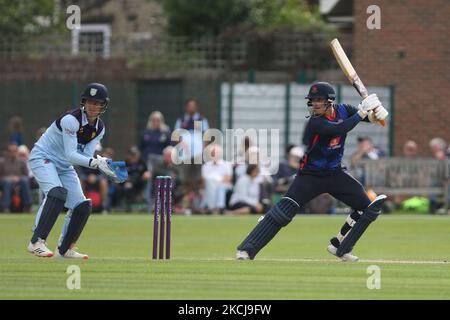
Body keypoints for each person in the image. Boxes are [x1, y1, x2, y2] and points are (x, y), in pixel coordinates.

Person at [235, 81, 389, 261]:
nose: (315, 104)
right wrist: (363, 111)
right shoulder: (315, 123)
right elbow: (339, 129)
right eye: (313, 100)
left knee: (366, 207)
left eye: (319, 100)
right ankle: (246, 250)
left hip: (335, 174)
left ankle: (340, 245)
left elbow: (367, 119)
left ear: (329, 101)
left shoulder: (344, 110)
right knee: (283, 213)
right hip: (310, 176)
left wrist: (376, 111)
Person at [27, 83, 126, 259]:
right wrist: (97, 163)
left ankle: (64, 250)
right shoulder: (70, 120)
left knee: (82, 205)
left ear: (103, 105)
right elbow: (72, 154)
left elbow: (86, 156)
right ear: (84, 102)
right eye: (90, 102)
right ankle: (36, 242)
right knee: (57, 194)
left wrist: (102, 163)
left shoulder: (99, 128)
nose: (93, 106)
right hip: (43, 157)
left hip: (64, 165)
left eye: (97, 103)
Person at [0, 143, 32, 212]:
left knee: (24, 180)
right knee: (7, 182)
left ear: (17, 151)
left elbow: (26, 175)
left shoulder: (22, 161)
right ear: (7, 152)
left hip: (19, 181)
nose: (13, 153)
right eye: (11, 151)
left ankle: (28, 206)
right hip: (5, 181)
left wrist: (18, 178)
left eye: (14, 151)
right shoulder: (2, 161)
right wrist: (9, 178)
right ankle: (6, 207)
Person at [201, 145, 232, 214]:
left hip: (223, 185)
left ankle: (215, 207)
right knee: (211, 185)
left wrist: (217, 182)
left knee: (219, 187)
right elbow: (204, 180)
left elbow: (228, 178)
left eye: (216, 153)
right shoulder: (206, 166)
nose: (214, 155)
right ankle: (215, 207)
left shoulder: (226, 164)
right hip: (210, 185)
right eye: (213, 153)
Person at [121, 146, 151, 212]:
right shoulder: (124, 164)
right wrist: (127, 181)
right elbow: (120, 176)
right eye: (132, 154)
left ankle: (148, 207)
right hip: (127, 184)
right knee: (127, 187)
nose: (134, 156)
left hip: (140, 183)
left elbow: (147, 172)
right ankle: (128, 208)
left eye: (135, 154)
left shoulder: (142, 163)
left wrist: (147, 174)